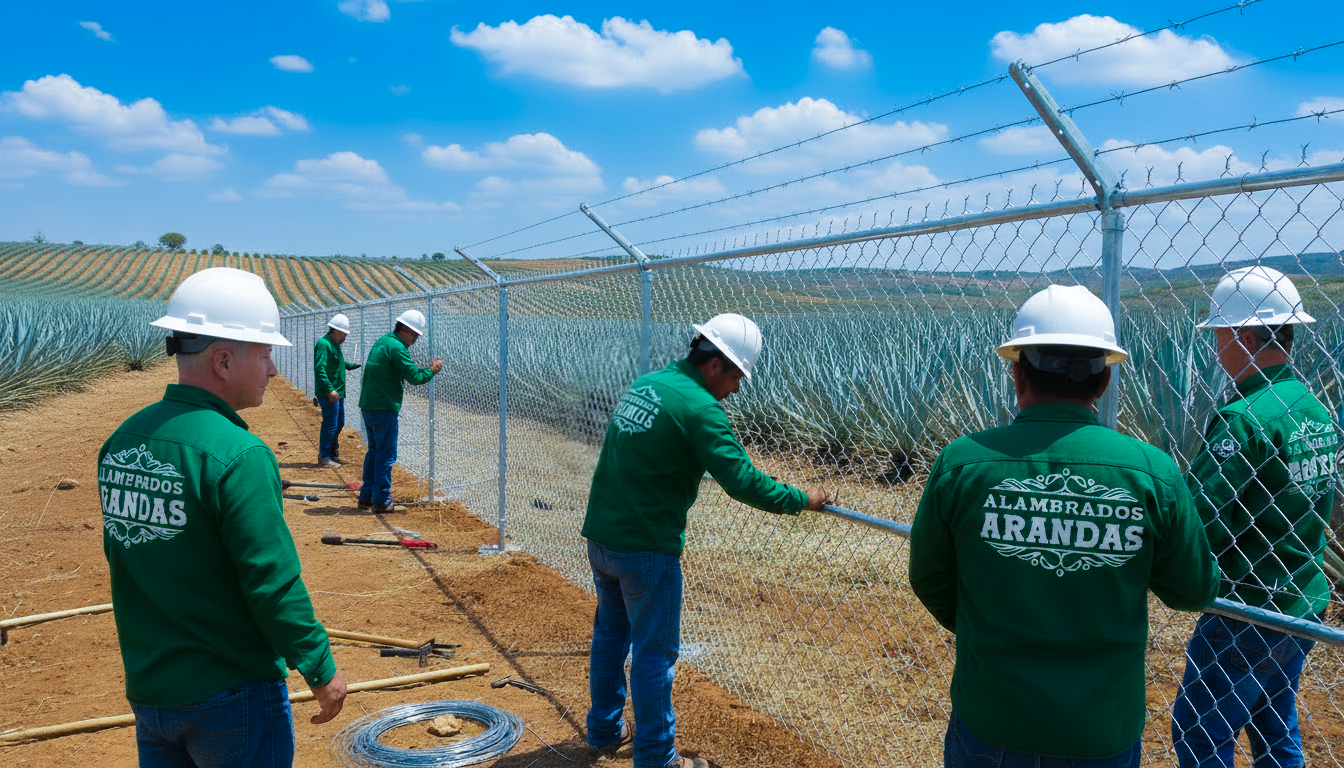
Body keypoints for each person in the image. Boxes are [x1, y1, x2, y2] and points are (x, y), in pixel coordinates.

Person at [908, 284, 1219, 767]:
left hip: (994, 715)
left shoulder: (963, 464)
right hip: (1100, 729)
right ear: (1103, 381)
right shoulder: (1151, 472)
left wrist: (984, 625)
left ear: (1017, 373)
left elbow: (928, 576)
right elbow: (1193, 591)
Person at [99, 267, 346, 766]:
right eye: (265, 354)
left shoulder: (121, 443)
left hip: (151, 690)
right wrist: (320, 667)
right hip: (232, 692)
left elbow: (130, 559)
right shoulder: (239, 455)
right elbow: (271, 582)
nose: (272, 370)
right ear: (224, 361)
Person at [581, 313, 829, 768]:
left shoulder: (648, 384)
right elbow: (743, 481)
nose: (734, 390)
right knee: (654, 655)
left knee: (611, 635)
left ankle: (604, 729)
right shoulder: (700, 408)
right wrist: (802, 500)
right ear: (714, 365)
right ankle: (656, 756)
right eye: (736, 378)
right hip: (646, 546)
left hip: (601, 536)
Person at [1172, 266, 1338, 767]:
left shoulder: (1244, 419)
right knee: (1274, 724)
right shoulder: (1313, 407)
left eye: (1219, 334)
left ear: (1243, 337)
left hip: (1249, 604)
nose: (1215, 347)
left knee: (1201, 734)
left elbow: (1198, 519)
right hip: (1303, 597)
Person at [357, 309, 442, 513]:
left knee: (374, 452)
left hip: (369, 404)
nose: (415, 339)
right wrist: (432, 370)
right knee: (386, 455)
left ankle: (366, 496)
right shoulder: (397, 348)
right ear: (404, 329)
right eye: (414, 334)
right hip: (384, 407)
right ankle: (381, 499)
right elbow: (415, 377)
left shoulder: (383, 341)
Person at [314, 312, 360, 468]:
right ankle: (325, 456)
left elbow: (336, 361)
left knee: (339, 423)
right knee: (330, 424)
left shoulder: (334, 344)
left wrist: (350, 365)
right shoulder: (324, 344)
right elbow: (320, 368)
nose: (345, 338)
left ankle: (332, 454)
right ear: (337, 331)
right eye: (344, 335)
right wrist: (329, 390)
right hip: (329, 392)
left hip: (337, 392)